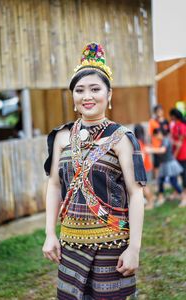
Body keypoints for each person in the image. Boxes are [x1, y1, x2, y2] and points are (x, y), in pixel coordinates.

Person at [42, 42, 147, 299]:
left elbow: (136, 194)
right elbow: (55, 185)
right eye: (79, 90)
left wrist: (134, 247)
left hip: (112, 247)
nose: (87, 96)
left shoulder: (122, 138)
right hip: (71, 246)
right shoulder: (62, 137)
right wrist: (49, 234)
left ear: (109, 95)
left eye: (95, 89)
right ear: (73, 98)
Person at [146, 128, 185, 207]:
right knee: (161, 181)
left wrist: (151, 150)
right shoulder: (163, 140)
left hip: (170, 164)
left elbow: (163, 150)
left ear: (159, 133)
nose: (156, 138)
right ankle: (161, 197)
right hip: (165, 164)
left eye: (156, 136)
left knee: (173, 181)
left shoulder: (166, 140)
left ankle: (184, 197)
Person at [134, 124, 155, 209]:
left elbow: (141, 157)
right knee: (149, 185)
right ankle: (152, 199)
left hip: (143, 168)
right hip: (149, 166)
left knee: (144, 186)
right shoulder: (144, 141)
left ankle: (150, 203)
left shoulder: (138, 143)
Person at [169, 108, 186, 207]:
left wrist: (174, 156)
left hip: (182, 155)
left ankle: (184, 197)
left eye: (171, 115)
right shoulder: (175, 126)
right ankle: (177, 192)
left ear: (174, 116)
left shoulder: (181, 126)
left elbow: (179, 144)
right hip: (177, 155)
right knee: (174, 175)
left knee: (184, 176)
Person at [148, 104, 169, 178]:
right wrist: (150, 144)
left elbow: (168, 133)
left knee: (165, 162)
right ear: (155, 112)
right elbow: (150, 134)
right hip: (156, 145)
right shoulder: (152, 122)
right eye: (157, 111)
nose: (159, 113)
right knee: (156, 164)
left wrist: (164, 138)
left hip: (164, 145)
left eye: (160, 111)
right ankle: (157, 179)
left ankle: (165, 177)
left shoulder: (165, 121)